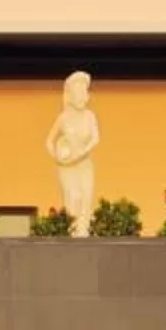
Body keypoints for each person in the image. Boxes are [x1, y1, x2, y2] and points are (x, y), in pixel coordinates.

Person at [45, 70, 101, 236]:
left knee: (86, 199)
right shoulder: (63, 118)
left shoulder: (90, 116)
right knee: (72, 199)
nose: (82, 97)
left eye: (84, 93)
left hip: (84, 164)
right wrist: (56, 155)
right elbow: (49, 140)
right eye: (78, 93)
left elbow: (96, 138)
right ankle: (72, 234)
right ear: (70, 95)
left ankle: (84, 233)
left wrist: (82, 153)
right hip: (67, 167)